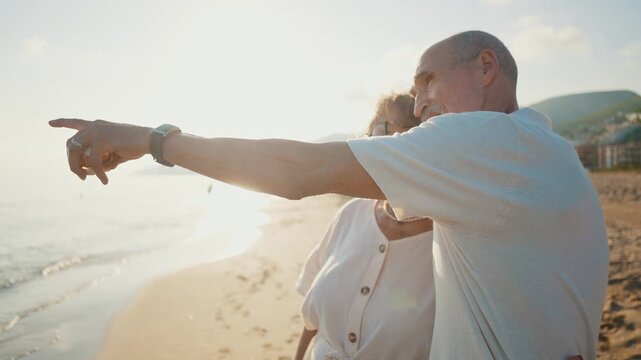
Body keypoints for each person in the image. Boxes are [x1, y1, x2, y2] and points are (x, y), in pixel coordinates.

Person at [50, 30, 607, 359]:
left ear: (486, 68)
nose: (418, 107)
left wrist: (153, 141)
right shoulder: (540, 152)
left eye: (428, 81)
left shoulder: (488, 142)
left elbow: (295, 171)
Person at [294, 93, 435, 360]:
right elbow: (311, 323)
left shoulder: (449, 242)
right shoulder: (351, 214)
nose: (370, 141)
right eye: (369, 131)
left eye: (383, 128)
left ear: (419, 141)